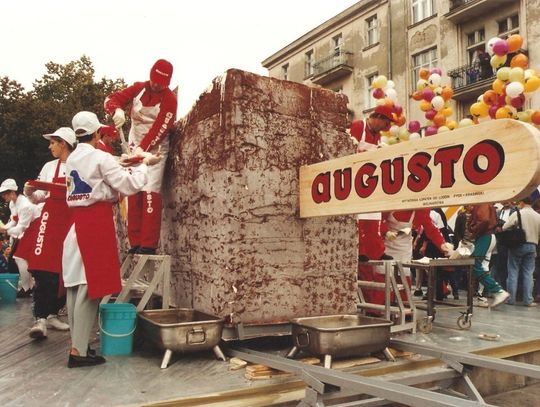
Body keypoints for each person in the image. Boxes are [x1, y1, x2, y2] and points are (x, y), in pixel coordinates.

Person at [63, 111, 159, 368]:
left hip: (76, 225)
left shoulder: (72, 158)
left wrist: (125, 163)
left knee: (75, 287)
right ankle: (78, 352)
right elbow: (127, 186)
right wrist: (143, 165)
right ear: (95, 133)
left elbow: (103, 174)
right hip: (95, 224)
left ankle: (79, 345)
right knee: (87, 289)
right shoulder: (99, 156)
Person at [104, 59, 177, 255]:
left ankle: (148, 244)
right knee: (132, 190)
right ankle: (134, 241)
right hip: (134, 142)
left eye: (161, 83)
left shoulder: (170, 99)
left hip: (155, 148)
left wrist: (144, 149)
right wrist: (116, 109)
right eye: (154, 80)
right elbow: (111, 98)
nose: (156, 85)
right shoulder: (139, 88)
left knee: (149, 190)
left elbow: (162, 127)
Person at [23, 127, 76, 338]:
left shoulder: (78, 164)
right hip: (50, 220)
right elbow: (39, 196)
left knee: (66, 269)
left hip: (71, 220)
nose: (49, 146)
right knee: (44, 267)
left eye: (53, 142)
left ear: (63, 143)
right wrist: (30, 192)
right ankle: (41, 319)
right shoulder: (48, 167)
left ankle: (53, 313)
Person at [350, 105, 396, 263]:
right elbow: (349, 152)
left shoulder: (377, 136)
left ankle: (376, 251)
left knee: (374, 217)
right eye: (386, 123)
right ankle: (360, 250)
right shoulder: (358, 126)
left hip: (369, 179)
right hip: (355, 178)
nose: (386, 128)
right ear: (379, 118)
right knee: (359, 218)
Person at [0, 178, 42, 295]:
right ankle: (28, 286)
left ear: (13, 192)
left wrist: (5, 231)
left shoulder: (25, 205)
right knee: (20, 258)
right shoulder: (13, 204)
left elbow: (21, 227)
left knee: (20, 257)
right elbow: (14, 221)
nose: (4, 196)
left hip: (35, 228)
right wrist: (5, 228)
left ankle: (27, 287)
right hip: (27, 229)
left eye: (5, 194)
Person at [467, 203, 509, 308]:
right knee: (481, 266)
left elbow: (484, 220)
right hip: (488, 236)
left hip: (484, 236)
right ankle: (488, 294)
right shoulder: (485, 203)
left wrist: (473, 228)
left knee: (475, 264)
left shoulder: (482, 202)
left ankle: (497, 291)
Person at [503, 197, 540, 306]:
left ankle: (511, 299)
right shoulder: (538, 216)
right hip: (532, 246)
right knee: (529, 273)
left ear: (522, 203)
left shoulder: (518, 213)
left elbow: (505, 227)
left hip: (517, 246)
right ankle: (528, 300)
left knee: (513, 272)